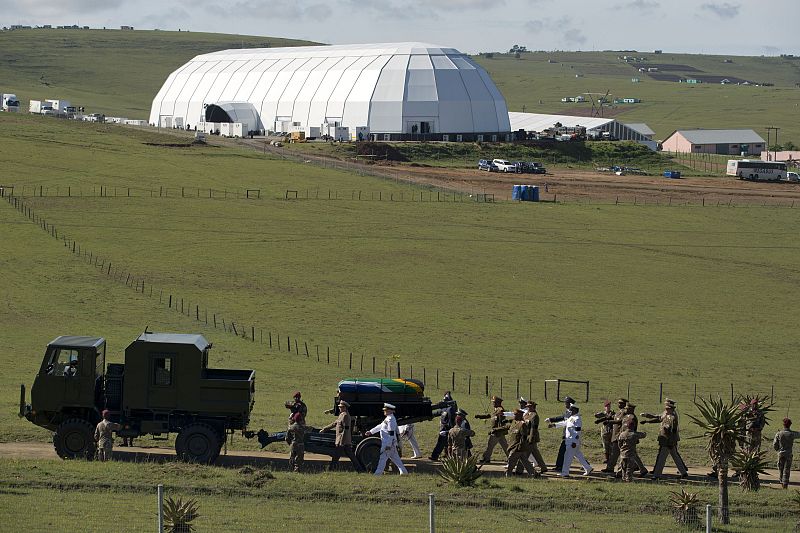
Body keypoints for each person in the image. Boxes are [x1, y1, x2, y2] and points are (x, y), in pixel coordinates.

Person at [642, 399, 688, 480]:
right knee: (675, 456)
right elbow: (659, 418)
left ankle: (657, 475)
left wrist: (671, 442)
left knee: (662, 458)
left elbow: (673, 431)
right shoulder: (667, 415)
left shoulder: (672, 417)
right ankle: (683, 472)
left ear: (671, 409)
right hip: (666, 440)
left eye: (667, 408)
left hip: (668, 440)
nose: (665, 409)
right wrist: (647, 421)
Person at [319, 400, 364, 472]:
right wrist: (324, 429)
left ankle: (331, 469)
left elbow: (346, 430)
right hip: (341, 440)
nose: (340, 408)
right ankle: (359, 470)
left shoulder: (346, 416)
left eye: (341, 407)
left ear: (345, 408)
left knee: (337, 455)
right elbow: (335, 423)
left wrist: (342, 441)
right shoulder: (341, 415)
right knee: (344, 456)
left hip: (343, 440)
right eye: (339, 407)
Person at [365, 403, 407, 475]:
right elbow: (380, 426)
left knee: (383, 458)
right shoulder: (388, 418)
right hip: (388, 442)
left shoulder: (391, 419)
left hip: (388, 443)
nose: (384, 411)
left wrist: (388, 444)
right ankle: (404, 472)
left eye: (386, 410)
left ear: (390, 411)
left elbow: (391, 433)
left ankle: (378, 473)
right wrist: (371, 432)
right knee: (395, 458)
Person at [550, 404, 592, 477]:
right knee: (579, 456)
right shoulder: (572, 417)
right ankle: (588, 468)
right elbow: (565, 423)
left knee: (567, 457)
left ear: (575, 410)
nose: (570, 412)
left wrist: (574, 442)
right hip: (569, 440)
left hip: (573, 442)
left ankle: (565, 473)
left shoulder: (577, 419)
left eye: (571, 410)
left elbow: (578, 432)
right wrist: (554, 425)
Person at [545, 396, 576, 472]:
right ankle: (587, 465)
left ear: (570, 404)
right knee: (574, 452)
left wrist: (554, 424)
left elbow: (565, 422)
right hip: (567, 435)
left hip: (569, 435)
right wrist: (551, 419)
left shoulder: (572, 414)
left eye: (566, 403)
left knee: (564, 451)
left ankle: (559, 466)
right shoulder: (568, 412)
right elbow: (562, 417)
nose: (565, 404)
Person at [476, 395, 510, 464]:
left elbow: (501, 417)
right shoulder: (495, 409)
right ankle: (511, 458)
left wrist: (501, 413)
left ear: (498, 403)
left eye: (494, 402)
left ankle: (486, 458)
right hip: (499, 432)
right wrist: (480, 416)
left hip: (496, 432)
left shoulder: (499, 409)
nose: (493, 403)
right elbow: (490, 415)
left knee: (490, 445)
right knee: (505, 446)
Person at [599, 398, 628, 473]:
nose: (619, 404)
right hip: (616, 435)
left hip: (621, 435)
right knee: (614, 453)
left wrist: (609, 421)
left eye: (621, 403)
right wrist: (602, 420)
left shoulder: (625, 412)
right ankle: (610, 468)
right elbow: (612, 417)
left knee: (623, 453)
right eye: (618, 403)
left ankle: (635, 467)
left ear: (625, 404)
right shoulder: (618, 412)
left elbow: (619, 421)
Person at [620, 403, 648, 477]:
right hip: (624, 436)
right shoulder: (625, 416)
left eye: (627, 409)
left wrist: (635, 438)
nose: (625, 409)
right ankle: (642, 469)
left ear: (631, 409)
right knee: (633, 454)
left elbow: (633, 429)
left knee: (627, 454)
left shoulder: (633, 418)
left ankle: (622, 471)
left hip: (630, 438)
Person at [506, 409, 536, 477]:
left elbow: (524, 437)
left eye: (515, 415)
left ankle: (508, 474)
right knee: (525, 461)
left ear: (519, 416)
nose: (514, 416)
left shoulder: (522, 424)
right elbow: (508, 428)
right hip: (513, 445)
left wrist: (520, 446)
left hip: (517, 447)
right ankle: (533, 473)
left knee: (511, 460)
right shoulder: (514, 422)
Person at [773, 418, 800, 489]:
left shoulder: (779, 433)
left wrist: (778, 450)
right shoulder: (792, 434)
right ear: (790, 425)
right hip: (788, 454)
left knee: (780, 469)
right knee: (787, 470)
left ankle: (781, 482)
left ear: (783, 424)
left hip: (781, 454)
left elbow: (775, 445)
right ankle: (785, 485)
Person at [429, 391, 456, 461]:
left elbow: (451, 420)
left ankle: (435, 456)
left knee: (442, 443)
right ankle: (438, 456)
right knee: (443, 443)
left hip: (447, 429)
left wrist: (450, 430)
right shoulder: (445, 408)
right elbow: (438, 412)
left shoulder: (450, 409)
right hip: (444, 428)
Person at [524, 400, 548, 473]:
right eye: (527, 406)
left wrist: (531, 438)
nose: (528, 408)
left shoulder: (534, 415)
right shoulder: (527, 414)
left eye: (529, 406)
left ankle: (519, 470)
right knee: (536, 454)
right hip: (526, 436)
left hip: (532, 437)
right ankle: (543, 467)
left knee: (524, 455)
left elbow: (533, 428)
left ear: (533, 407)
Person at [594, 400, 615, 465]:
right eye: (607, 406)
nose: (608, 407)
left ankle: (611, 459)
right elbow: (596, 416)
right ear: (604, 407)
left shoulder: (613, 413)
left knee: (611, 446)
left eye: (609, 406)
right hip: (604, 432)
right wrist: (598, 414)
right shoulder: (603, 413)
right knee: (605, 446)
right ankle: (607, 459)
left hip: (611, 431)